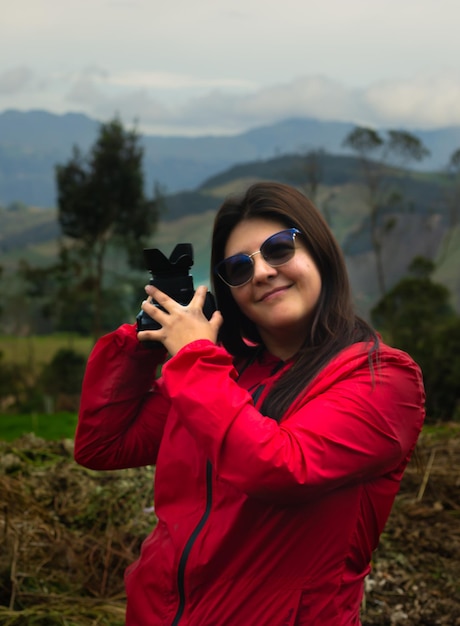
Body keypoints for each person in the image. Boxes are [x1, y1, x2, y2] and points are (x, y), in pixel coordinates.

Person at [74, 181, 425, 625]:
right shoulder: (221, 374)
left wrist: (193, 356)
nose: (260, 273)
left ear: (319, 251)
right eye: (239, 268)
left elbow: (281, 469)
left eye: (279, 249)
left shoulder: (382, 378)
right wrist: (150, 337)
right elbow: (103, 444)